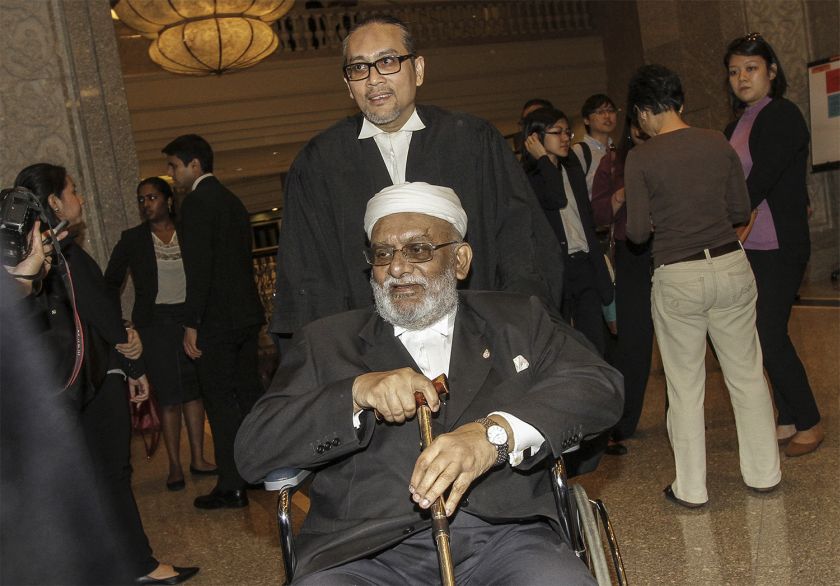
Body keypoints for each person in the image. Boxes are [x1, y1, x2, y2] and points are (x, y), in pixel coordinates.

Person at [235, 182, 623, 584]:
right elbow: (253, 449)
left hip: (507, 538)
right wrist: (354, 394)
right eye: (383, 254)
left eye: (418, 250)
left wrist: (495, 435)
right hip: (361, 551)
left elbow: (598, 385)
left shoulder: (517, 319)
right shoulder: (325, 341)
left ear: (459, 259)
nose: (398, 268)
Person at [270, 15, 564, 343]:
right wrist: (341, 365)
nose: (373, 79)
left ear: (418, 69)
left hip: (476, 338)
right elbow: (310, 280)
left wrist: (518, 332)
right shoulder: (318, 164)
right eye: (359, 68)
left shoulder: (472, 141)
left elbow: (519, 245)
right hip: (373, 351)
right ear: (348, 85)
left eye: (387, 61)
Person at [13, 164, 199, 584]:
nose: (80, 199)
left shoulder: (49, 255)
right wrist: (132, 358)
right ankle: (139, 565)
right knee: (112, 475)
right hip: (93, 379)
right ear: (56, 202)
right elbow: (99, 315)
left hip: (80, 380)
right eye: (73, 191)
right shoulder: (59, 255)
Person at [624, 65, 781, 508]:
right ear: (680, 102)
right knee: (747, 376)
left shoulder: (642, 157)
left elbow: (636, 233)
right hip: (731, 264)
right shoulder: (717, 141)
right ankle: (764, 474)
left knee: (685, 385)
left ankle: (692, 489)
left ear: (643, 112)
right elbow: (739, 208)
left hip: (678, 274)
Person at [723, 33, 823, 456]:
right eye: (733, 71)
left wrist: (724, 215)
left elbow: (761, 178)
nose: (742, 78)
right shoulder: (735, 124)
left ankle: (810, 420)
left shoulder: (782, 115)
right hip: (751, 247)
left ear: (772, 72)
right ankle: (787, 415)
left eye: (751, 68)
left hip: (780, 242)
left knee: (768, 328)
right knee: (758, 333)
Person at [161, 134, 265, 509]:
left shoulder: (196, 204)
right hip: (246, 315)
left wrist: (193, 323)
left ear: (194, 165)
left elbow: (199, 270)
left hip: (217, 322)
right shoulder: (232, 201)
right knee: (249, 397)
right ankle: (260, 473)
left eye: (174, 166)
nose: (171, 175)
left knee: (220, 403)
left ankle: (232, 484)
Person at [105, 177, 217, 491]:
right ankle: (175, 466)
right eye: (141, 199)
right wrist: (119, 322)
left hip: (190, 319)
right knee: (169, 397)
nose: (146, 204)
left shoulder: (187, 232)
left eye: (152, 197)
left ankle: (199, 458)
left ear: (167, 199)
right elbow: (109, 283)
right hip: (155, 326)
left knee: (194, 393)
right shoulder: (133, 239)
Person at [521, 108, 614, 356]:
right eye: (557, 132)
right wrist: (542, 159)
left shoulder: (572, 169)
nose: (565, 138)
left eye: (567, 132)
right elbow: (556, 198)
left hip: (584, 265)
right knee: (560, 344)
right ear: (536, 138)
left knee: (595, 343)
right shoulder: (528, 179)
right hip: (555, 270)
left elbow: (587, 223)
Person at [591, 118, 653, 455]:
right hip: (631, 252)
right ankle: (624, 422)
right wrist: (621, 194)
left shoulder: (666, 153)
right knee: (634, 342)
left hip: (671, 247)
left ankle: (682, 416)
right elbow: (598, 213)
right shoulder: (613, 163)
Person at [571, 94, 618, 197]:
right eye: (600, 112)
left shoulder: (615, 150)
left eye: (610, 110)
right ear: (586, 120)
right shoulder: (580, 151)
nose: (607, 116)